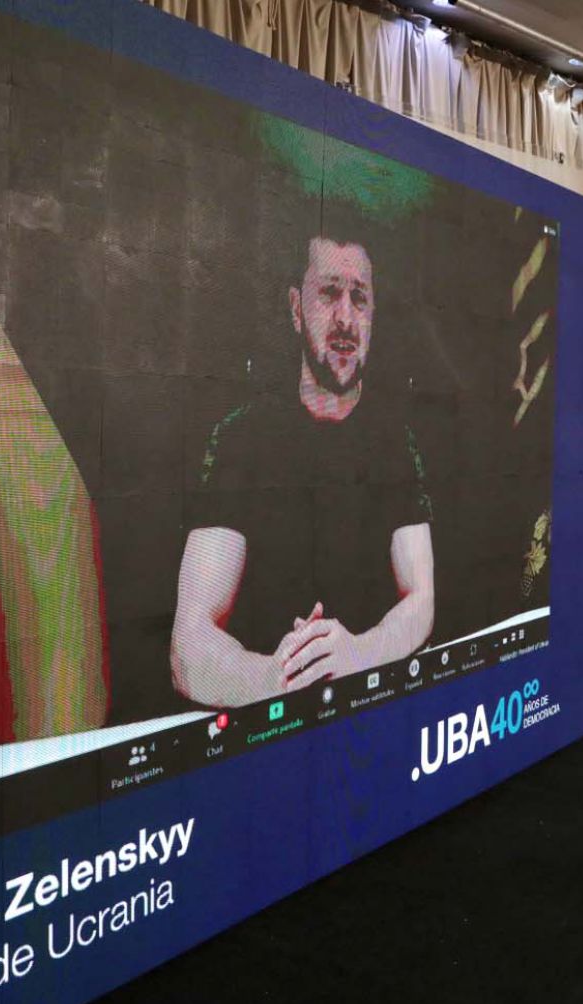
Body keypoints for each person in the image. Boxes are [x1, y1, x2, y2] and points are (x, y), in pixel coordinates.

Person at [172, 224, 436, 708]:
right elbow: (188, 647)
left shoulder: (394, 442)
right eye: (329, 294)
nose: (345, 318)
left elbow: (421, 601)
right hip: (267, 745)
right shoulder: (241, 438)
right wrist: (276, 677)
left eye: (359, 299)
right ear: (296, 308)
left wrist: (358, 652)